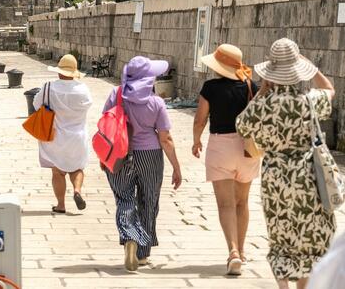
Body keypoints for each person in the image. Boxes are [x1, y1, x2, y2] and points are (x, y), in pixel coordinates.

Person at [236, 38, 337, 289]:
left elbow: (242, 125)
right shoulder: (309, 100)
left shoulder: (262, 105)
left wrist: (262, 92)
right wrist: (312, 68)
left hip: (275, 178)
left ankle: (283, 286)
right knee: (311, 236)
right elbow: (330, 90)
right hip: (308, 177)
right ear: (297, 70)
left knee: (281, 237)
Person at [102, 56, 182, 272]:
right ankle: (143, 253)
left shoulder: (116, 95)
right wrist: (176, 166)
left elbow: (106, 125)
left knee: (125, 199)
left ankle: (129, 237)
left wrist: (104, 158)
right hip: (151, 156)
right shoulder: (156, 102)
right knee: (149, 201)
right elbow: (165, 138)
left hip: (120, 155)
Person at [192, 43, 261, 276]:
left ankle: (232, 251)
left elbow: (200, 119)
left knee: (225, 204)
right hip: (247, 149)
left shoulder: (210, 87)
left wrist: (196, 140)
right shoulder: (252, 86)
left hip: (221, 146)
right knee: (242, 202)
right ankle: (241, 250)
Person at [33, 54, 93, 214]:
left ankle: (61, 205)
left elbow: (36, 104)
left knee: (57, 171)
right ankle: (77, 191)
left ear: (59, 71)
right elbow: (88, 105)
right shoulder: (83, 89)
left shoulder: (48, 87)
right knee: (77, 168)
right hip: (78, 136)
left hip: (55, 136)